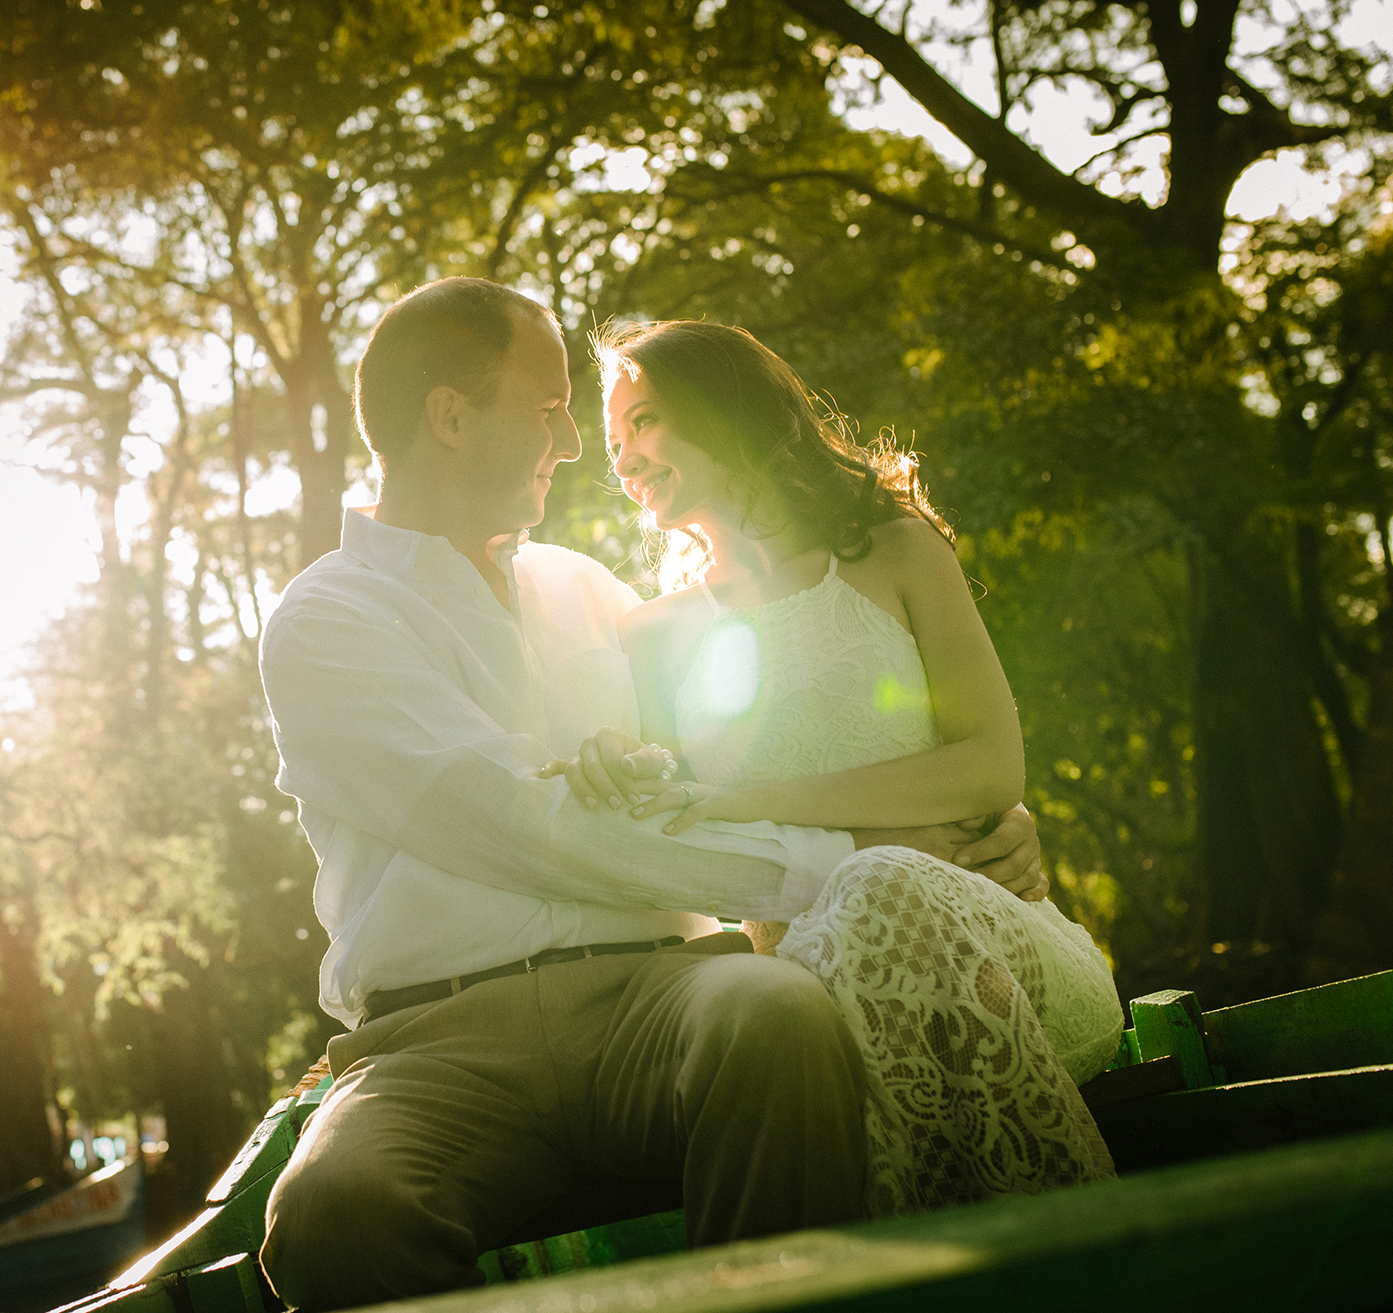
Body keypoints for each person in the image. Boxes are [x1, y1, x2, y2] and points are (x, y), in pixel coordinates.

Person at [255, 278, 1049, 1311]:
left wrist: (982, 825)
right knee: (332, 1212)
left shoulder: (594, 592)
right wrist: (872, 847)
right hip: (435, 1043)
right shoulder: (327, 619)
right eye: (548, 409)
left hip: (658, 995)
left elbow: (753, 756)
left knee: (774, 1018)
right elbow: (525, 827)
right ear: (449, 416)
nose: (576, 445)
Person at [551, 318, 1121, 1215]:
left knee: (885, 882)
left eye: (646, 422)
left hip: (997, 947)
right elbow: (689, 835)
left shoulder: (896, 549)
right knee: (871, 887)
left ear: (724, 406)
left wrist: (762, 800)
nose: (622, 459)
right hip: (810, 992)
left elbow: (991, 768)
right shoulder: (653, 636)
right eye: (614, 442)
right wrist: (621, 762)